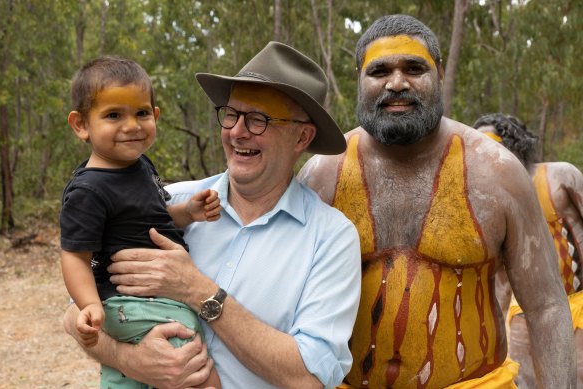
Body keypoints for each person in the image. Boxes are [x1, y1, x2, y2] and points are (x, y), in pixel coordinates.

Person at [298, 14, 575, 388]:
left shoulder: (497, 173)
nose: (397, 83)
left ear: (440, 74)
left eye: (414, 68)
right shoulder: (321, 175)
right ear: (359, 80)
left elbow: (545, 307)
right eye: (379, 71)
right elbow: (286, 300)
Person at [63, 42, 362, 388]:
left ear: (302, 137)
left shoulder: (331, 238)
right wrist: (130, 359)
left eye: (258, 119)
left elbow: (309, 377)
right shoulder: (169, 201)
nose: (236, 131)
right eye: (231, 114)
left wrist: (199, 290)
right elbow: (75, 312)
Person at [60, 56, 222, 388]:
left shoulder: (140, 166)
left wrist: (188, 213)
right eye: (113, 115)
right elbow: (74, 256)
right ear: (81, 125)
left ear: (156, 116)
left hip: (144, 304)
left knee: (129, 379)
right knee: (201, 378)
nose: (132, 125)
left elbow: (154, 220)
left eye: (142, 113)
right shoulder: (89, 190)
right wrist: (88, 305)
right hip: (135, 304)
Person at [474, 112, 583, 387]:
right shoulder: (492, 203)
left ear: (513, 142)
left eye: (493, 144)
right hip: (524, 314)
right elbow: (500, 278)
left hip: (578, 303)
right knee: (523, 379)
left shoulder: (559, 175)